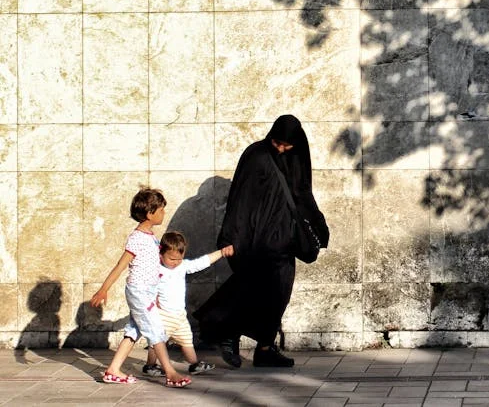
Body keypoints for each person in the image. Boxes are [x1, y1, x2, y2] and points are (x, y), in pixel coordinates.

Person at [194, 114, 329, 368]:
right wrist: (230, 237)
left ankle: (263, 347)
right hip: (258, 239)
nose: (280, 148)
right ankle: (228, 334)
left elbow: (302, 194)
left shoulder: (296, 158)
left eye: (286, 145)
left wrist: (319, 227)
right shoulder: (256, 156)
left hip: (284, 239)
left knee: (277, 294)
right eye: (277, 142)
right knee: (253, 289)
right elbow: (240, 199)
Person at [89, 187, 192, 388]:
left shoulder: (151, 237)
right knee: (156, 330)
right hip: (139, 291)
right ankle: (170, 372)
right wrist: (104, 289)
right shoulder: (137, 238)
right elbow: (120, 265)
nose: (164, 213)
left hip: (147, 292)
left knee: (134, 330)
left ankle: (113, 370)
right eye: (161, 210)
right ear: (149, 213)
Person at [142, 231, 234, 377]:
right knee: (156, 342)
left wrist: (221, 252)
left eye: (179, 258)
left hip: (180, 316)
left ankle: (194, 364)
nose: (176, 262)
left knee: (187, 340)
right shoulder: (156, 269)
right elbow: (146, 288)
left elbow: (202, 262)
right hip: (163, 314)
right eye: (172, 258)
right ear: (160, 254)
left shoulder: (182, 266)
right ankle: (150, 365)